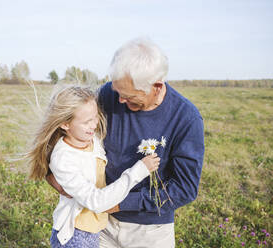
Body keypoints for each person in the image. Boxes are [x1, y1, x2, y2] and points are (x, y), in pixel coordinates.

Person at [47, 38, 205, 248]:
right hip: (100, 224)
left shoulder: (186, 119)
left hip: (150, 232)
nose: (119, 101)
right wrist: (50, 172)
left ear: (156, 87)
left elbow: (184, 189)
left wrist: (121, 203)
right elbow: (69, 125)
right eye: (117, 91)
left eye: (129, 96)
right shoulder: (109, 94)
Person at [27, 86, 161, 247]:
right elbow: (96, 202)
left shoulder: (91, 139)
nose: (94, 125)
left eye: (95, 117)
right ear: (65, 124)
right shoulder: (63, 158)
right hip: (75, 235)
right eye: (86, 122)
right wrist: (138, 172)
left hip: (95, 230)